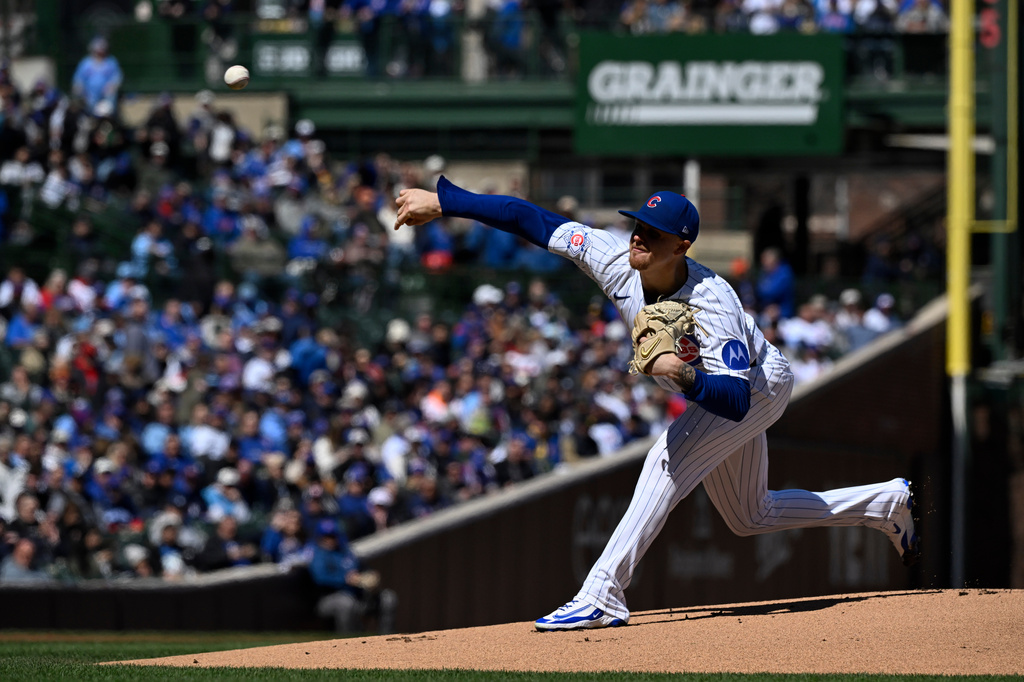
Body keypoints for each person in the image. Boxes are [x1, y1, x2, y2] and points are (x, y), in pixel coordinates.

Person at [394, 177, 921, 631]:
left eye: (654, 233)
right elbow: (526, 216)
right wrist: (445, 203)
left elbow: (734, 400)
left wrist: (683, 374)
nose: (638, 236)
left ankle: (603, 593)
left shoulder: (713, 301)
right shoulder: (615, 257)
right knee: (750, 515)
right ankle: (884, 504)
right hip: (723, 390)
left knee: (665, 460)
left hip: (756, 386)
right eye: (637, 225)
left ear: (682, 246)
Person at [309, 519, 397, 634]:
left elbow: (363, 568)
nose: (330, 540)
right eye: (326, 536)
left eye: (333, 536)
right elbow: (320, 578)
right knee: (347, 603)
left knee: (388, 598)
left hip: (358, 594)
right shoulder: (318, 554)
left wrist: (370, 576)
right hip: (328, 599)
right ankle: (349, 642)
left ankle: (387, 639)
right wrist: (345, 580)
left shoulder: (346, 551)